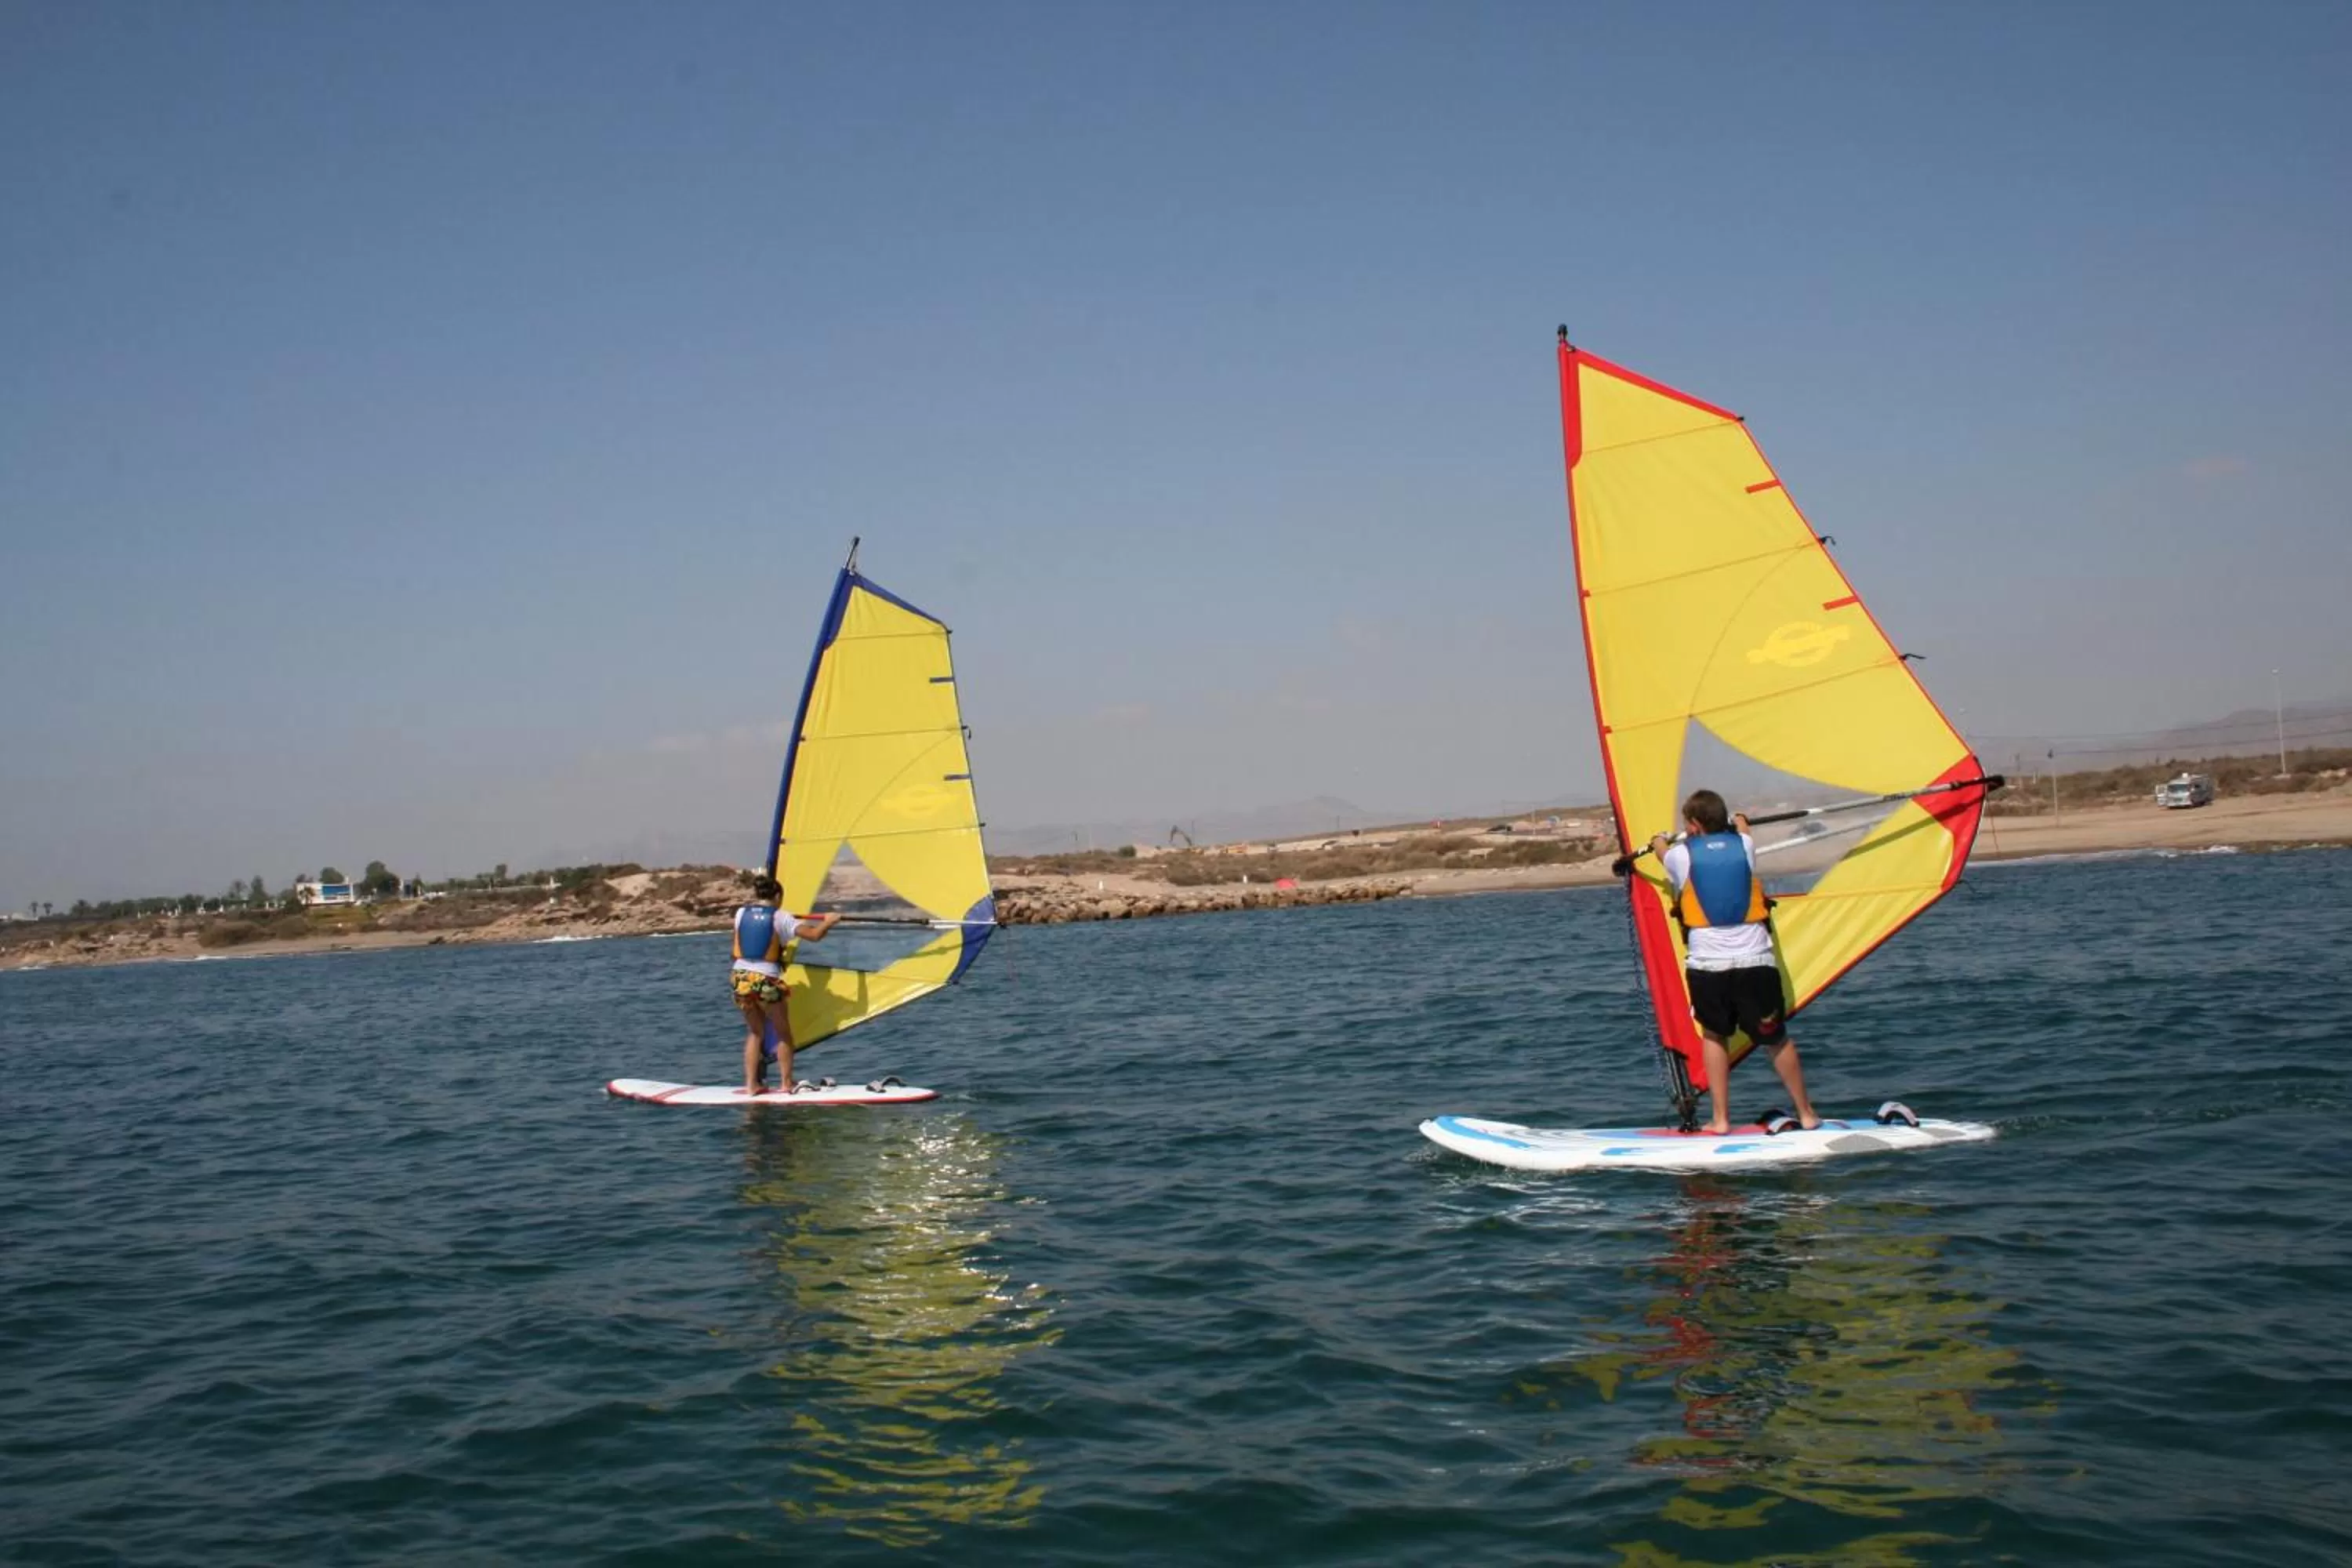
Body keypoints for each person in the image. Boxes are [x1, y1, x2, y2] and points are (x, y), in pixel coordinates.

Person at [1650, 789, 1820, 1135]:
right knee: (1776, 1038)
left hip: (1709, 966)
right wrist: (1739, 819)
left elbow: (1660, 851)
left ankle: (1721, 1120)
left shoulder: (1680, 856)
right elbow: (1743, 829)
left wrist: (1658, 839)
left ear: (1694, 825)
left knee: (1714, 1035)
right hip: (1756, 961)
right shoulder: (1744, 846)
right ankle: (1806, 1114)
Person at [731, 874, 840, 1094]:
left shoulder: (741, 913)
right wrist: (828, 921)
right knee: (783, 1033)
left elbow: (751, 941)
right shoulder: (782, 917)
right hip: (766, 979)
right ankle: (786, 1083)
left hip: (740, 977)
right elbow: (814, 935)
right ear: (778, 896)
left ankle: (751, 1086)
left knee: (755, 1033)